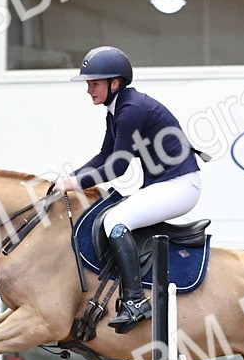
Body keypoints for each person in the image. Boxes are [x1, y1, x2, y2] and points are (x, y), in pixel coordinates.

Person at [54, 46, 202, 333]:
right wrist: (71, 177)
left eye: (94, 83)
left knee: (115, 220)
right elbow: (104, 156)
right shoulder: (118, 109)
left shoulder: (131, 110)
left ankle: (136, 301)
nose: (88, 90)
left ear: (115, 83)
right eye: (88, 83)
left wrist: (74, 183)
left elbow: (118, 167)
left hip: (180, 186)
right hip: (169, 184)